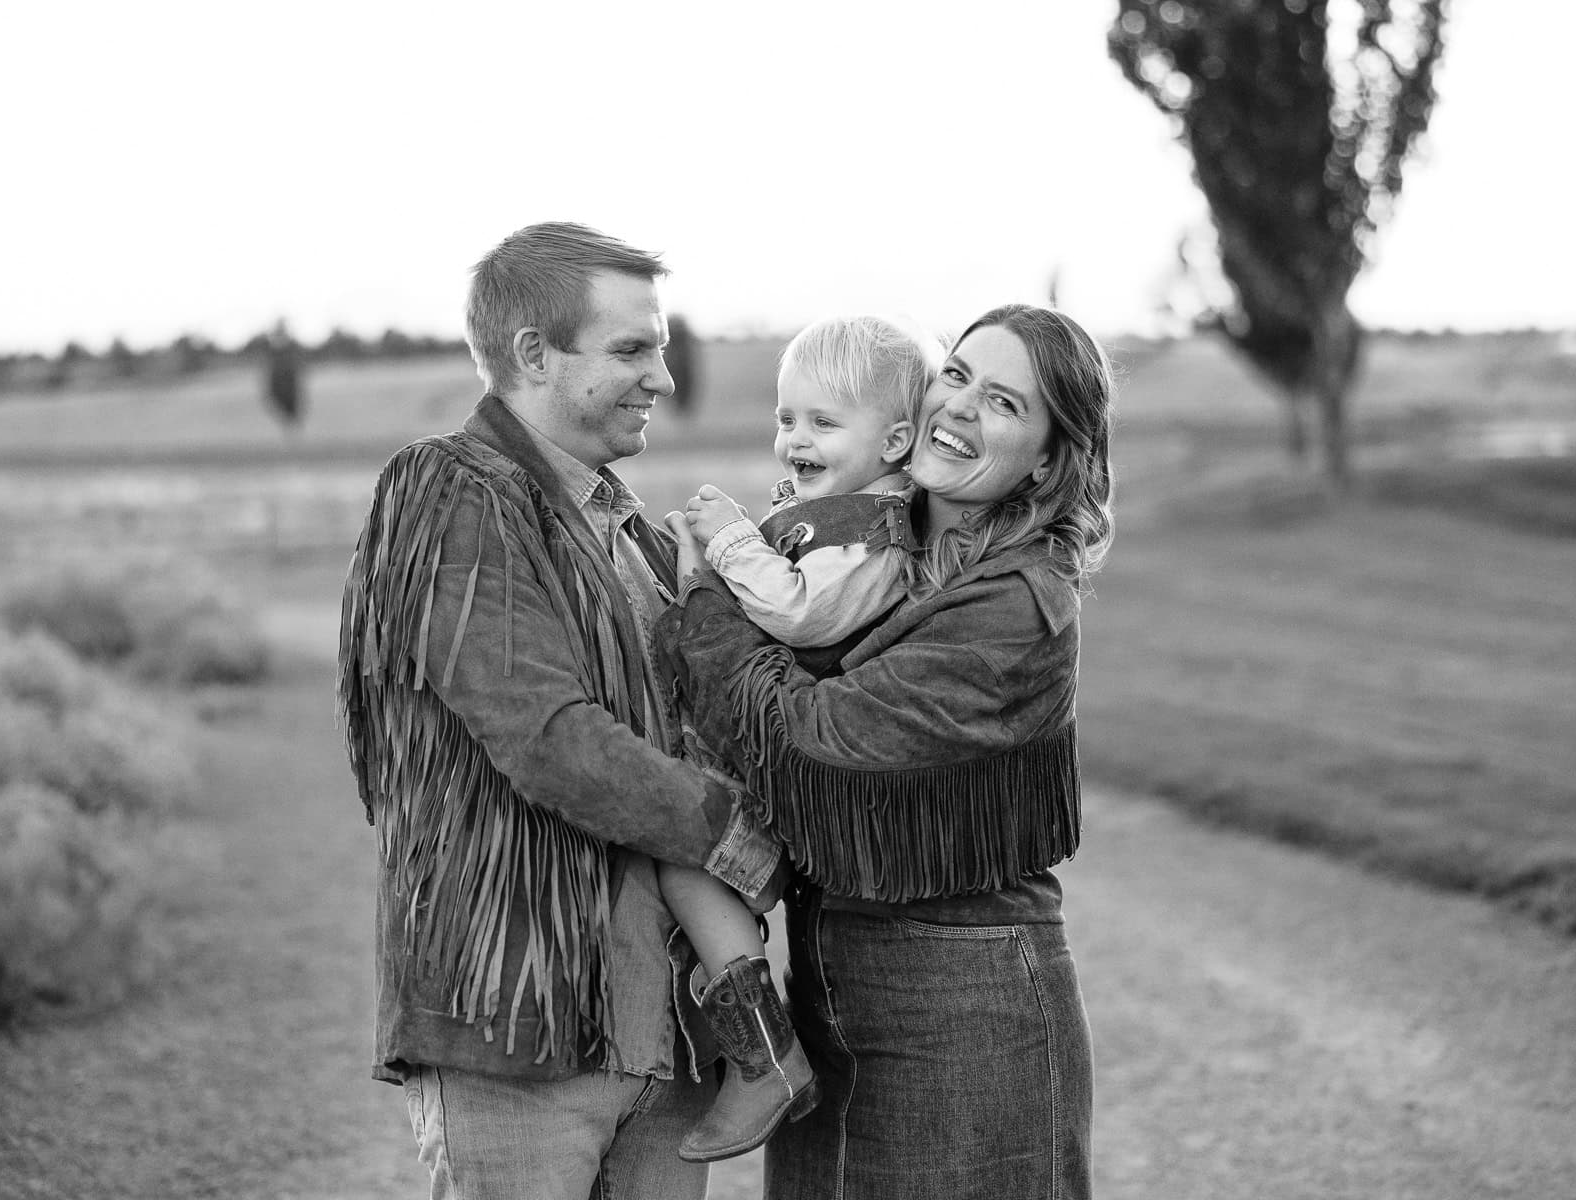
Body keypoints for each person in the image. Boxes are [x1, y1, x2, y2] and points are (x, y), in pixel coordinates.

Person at [336, 221, 783, 1200]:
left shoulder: (630, 529)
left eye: (659, 348)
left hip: (659, 1035)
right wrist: (744, 838)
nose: (662, 377)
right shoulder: (448, 489)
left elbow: (697, 727)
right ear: (533, 354)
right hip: (517, 1031)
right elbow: (549, 740)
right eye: (631, 349)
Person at [658, 303, 1116, 1199]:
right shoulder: (868, 528)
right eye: (958, 375)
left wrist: (705, 611)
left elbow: (820, 740)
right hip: (830, 992)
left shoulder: (1020, 604)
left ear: (1051, 460)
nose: (961, 409)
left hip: (964, 1006)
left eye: (1006, 404)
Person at [657, 313, 939, 1163]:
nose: (795, 439)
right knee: (678, 862)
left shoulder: (870, 533)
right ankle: (724, 1025)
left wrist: (735, 541)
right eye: (787, 419)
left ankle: (765, 1055)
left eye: (823, 422)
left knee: (678, 851)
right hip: (765, 750)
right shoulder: (831, 516)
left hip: (787, 776)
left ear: (894, 439)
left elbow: (796, 609)